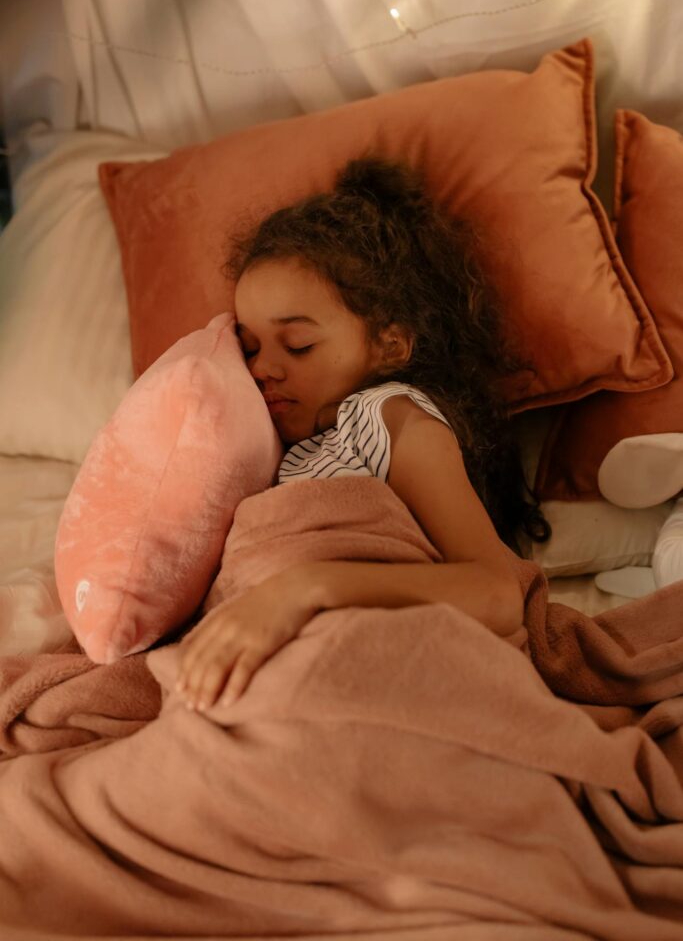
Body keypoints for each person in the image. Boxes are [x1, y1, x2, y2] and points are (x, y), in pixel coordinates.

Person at [175, 154, 551, 712]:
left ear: (388, 346)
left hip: (354, 657)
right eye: (249, 347)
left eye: (297, 345)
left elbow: (496, 593)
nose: (261, 369)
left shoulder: (390, 417)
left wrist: (303, 590)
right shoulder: (278, 441)